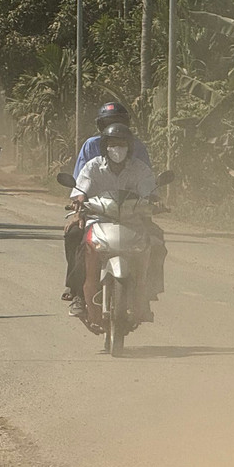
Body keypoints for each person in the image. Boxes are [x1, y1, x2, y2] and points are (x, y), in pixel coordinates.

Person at [65, 123, 164, 321]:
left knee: (157, 241)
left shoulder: (139, 168)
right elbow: (80, 190)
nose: (117, 149)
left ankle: (149, 291)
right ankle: (76, 293)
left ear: (129, 147)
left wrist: (154, 200)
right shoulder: (93, 166)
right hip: (97, 218)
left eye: (121, 144)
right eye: (112, 144)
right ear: (105, 146)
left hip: (133, 220)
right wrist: (78, 203)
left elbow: (148, 189)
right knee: (74, 235)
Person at [71, 102, 152, 177]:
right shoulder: (91, 145)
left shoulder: (137, 145)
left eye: (118, 123)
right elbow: (80, 178)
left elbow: (147, 177)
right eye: (108, 124)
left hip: (130, 190)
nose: (114, 130)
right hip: (97, 190)